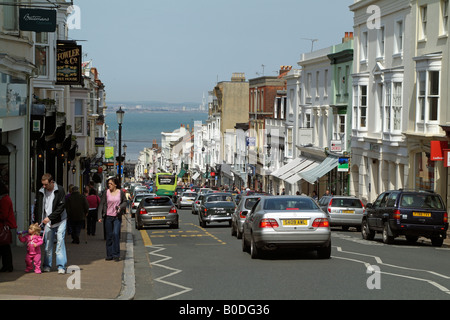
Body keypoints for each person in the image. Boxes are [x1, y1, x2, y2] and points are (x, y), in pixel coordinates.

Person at [34, 173, 67, 274]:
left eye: (46, 184)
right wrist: (38, 220)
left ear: (51, 182)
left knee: (60, 241)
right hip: (47, 222)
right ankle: (47, 265)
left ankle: (61, 266)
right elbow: (38, 206)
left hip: (60, 220)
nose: (44, 186)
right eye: (43, 184)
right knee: (48, 243)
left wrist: (49, 217)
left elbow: (61, 207)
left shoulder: (60, 190)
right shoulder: (41, 191)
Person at [98, 177, 127, 262]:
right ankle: (109, 255)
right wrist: (99, 216)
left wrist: (120, 207)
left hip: (117, 217)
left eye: (110, 183)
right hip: (108, 217)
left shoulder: (120, 192)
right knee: (109, 236)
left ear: (115, 184)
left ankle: (116, 254)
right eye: (108, 184)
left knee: (116, 234)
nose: (109, 185)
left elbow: (125, 202)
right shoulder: (106, 193)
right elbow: (101, 204)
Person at [0, 182, 17, 272]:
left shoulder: (4, 200)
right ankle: (7, 266)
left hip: (3, 226)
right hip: (6, 226)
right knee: (5, 248)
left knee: (4, 248)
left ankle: (7, 266)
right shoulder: (6, 198)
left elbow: (4, 215)